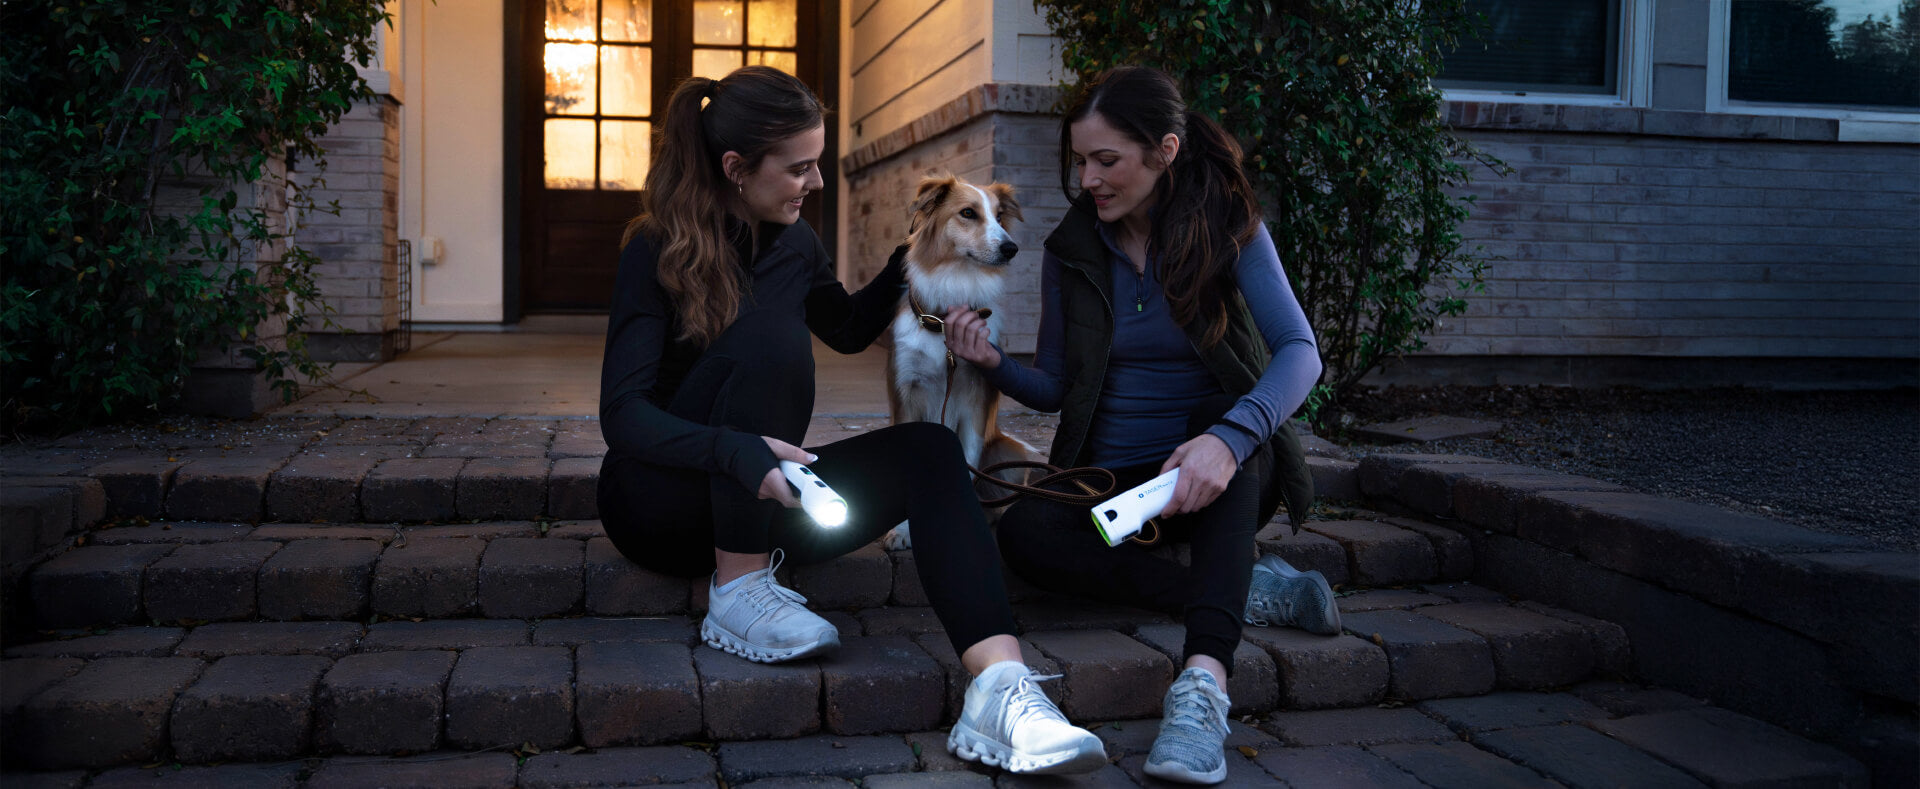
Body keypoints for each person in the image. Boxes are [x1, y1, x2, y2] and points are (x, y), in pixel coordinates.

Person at [596, 66, 1104, 775]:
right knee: (772, 340)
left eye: (819, 163)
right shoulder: (654, 245)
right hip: (658, 500)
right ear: (737, 169)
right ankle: (738, 587)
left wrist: (924, 246)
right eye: (800, 168)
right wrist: (737, 451)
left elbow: (846, 327)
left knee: (929, 450)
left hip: (764, 496)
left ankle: (999, 686)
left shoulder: (796, 245)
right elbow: (622, 416)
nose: (818, 183)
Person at [941, 66, 1340, 785]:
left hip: (1216, 474)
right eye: (1081, 160)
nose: (1089, 178)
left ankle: (1202, 687)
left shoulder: (1230, 227)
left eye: (1107, 160)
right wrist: (991, 360)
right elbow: (1058, 385)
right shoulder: (1075, 249)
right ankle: (1242, 587)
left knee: (1217, 415)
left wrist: (1229, 438)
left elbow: (1301, 353)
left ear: (1165, 151)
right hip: (1118, 490)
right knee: (1025, 534)